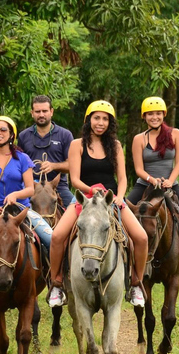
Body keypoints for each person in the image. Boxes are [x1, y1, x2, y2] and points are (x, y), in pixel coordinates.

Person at [47, 100, 148, 308]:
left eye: (105, 119)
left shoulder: (116, 146)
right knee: (57, 236)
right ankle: (56, 283)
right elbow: (74, 179)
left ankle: (136, 283)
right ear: (89, 120)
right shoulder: (77, 145)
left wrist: (120, 196)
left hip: (110, 200)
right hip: (84, 198)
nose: (100, 122)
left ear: (109, 123)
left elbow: (122, 179)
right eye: (96, 118)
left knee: (141, 237)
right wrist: (91, 191)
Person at [0, 115, 54, 315]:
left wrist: (15, 194)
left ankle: (55, 284)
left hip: (21, 212)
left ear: (12, 134)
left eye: (3, 130)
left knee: (51, 238)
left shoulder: (22, 159)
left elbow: (30, 189)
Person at [127, 96, 179, 280]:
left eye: (158, 113)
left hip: (170, 185)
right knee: (122, 213)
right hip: (145, 185)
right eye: (150, 114)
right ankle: (125, 260)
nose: (155, 117)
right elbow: (138, 168)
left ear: (164, 114)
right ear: (144, 116)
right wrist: (151, 179)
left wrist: (170, 180)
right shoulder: (139, 139)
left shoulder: (174, 133)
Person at [17, 95, 75, 207]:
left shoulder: (65, 135)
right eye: (37, 111)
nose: (41, 115)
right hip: (30, 188)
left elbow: (72, 166)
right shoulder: (23, 136)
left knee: (77, 213)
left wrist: (53, 166)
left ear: (51, 112)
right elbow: (19, 165)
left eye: (45, 111)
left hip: (58, 187)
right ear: (32, 113)